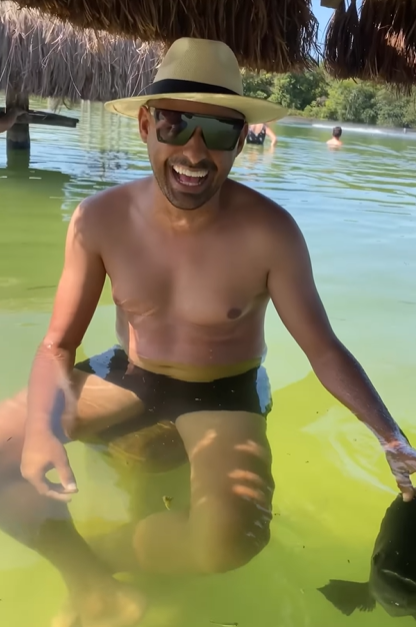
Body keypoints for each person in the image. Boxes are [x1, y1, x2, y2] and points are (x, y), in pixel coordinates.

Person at [0, 36, 415, 627]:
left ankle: (102, 553)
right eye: (176, 125)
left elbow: (322, 348)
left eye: (218, 132)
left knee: (231, 541)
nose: (195, 152)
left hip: (226, 388)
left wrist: (390, 434)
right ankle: (91, 584)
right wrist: (41, 428)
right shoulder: (99, 219)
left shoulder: (271, 233)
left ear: (242, 140)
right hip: (128, 373)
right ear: (146, 124)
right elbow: (57, 346)